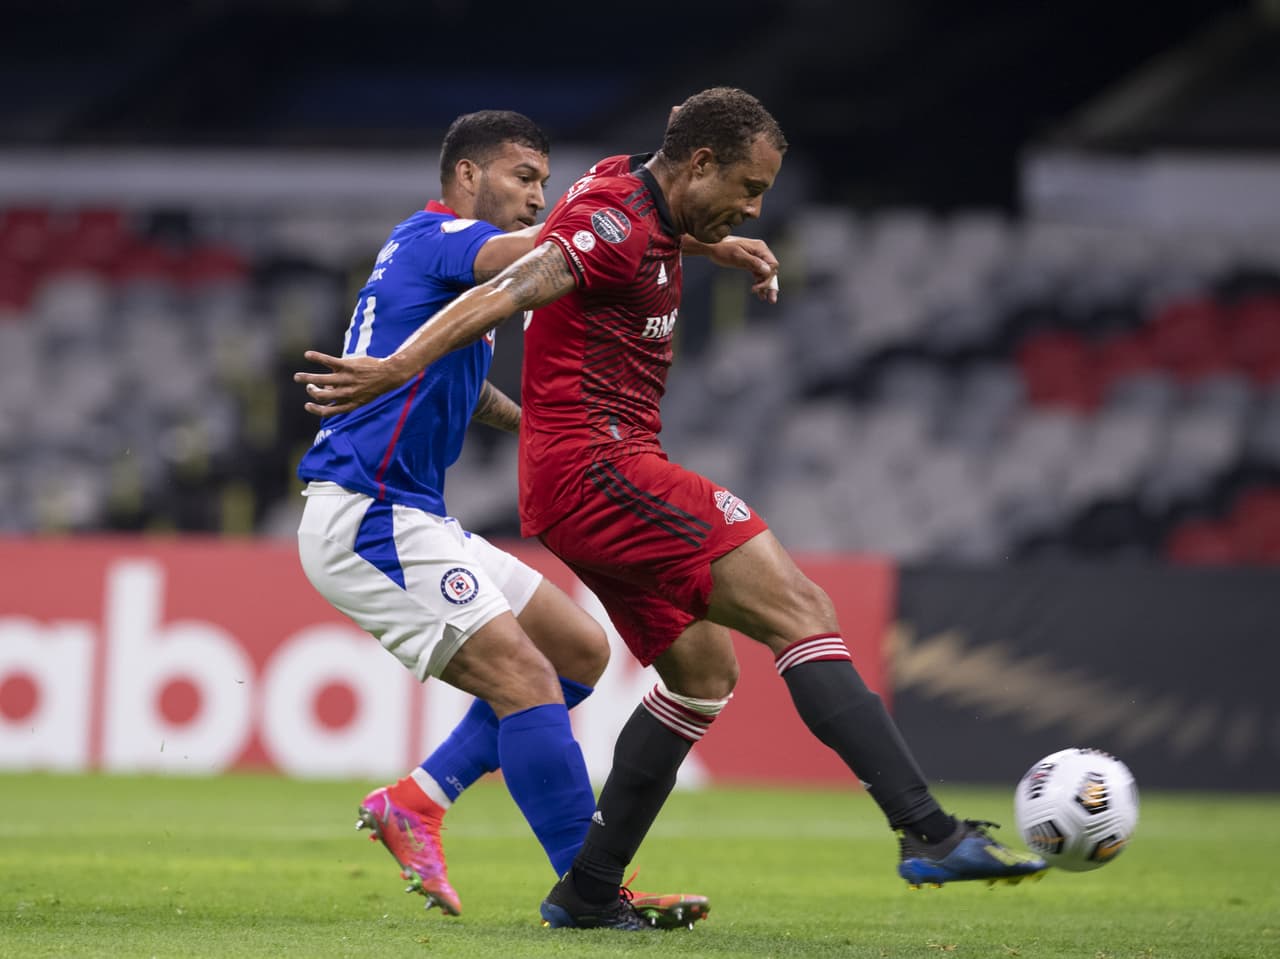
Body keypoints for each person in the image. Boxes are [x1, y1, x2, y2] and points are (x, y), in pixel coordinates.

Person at [295, 88, 1046, 933]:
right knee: (794, 612)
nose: (755, 206)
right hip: (542, 480)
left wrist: (708, 243)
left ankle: (573, 883)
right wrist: (398, 366)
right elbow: (522, 279)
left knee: (679, 670)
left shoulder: (623, 196)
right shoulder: (492, 232)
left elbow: (602, 232)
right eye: (749, 187)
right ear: (699, 163)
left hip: (511, 488)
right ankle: (928, 831)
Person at [295, 109, 772, 929]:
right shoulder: (442, 238)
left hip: (414, 514)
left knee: (579, 650)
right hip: (367, 515)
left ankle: (417, 800)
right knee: (526, 681)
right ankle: (589, 893)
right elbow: (562, 249)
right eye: (524, 179)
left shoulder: (434, 268)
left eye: (546, 183)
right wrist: (704, 242)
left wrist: (537, 427)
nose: (538, 198)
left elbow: (457, 388)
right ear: (468, 177)